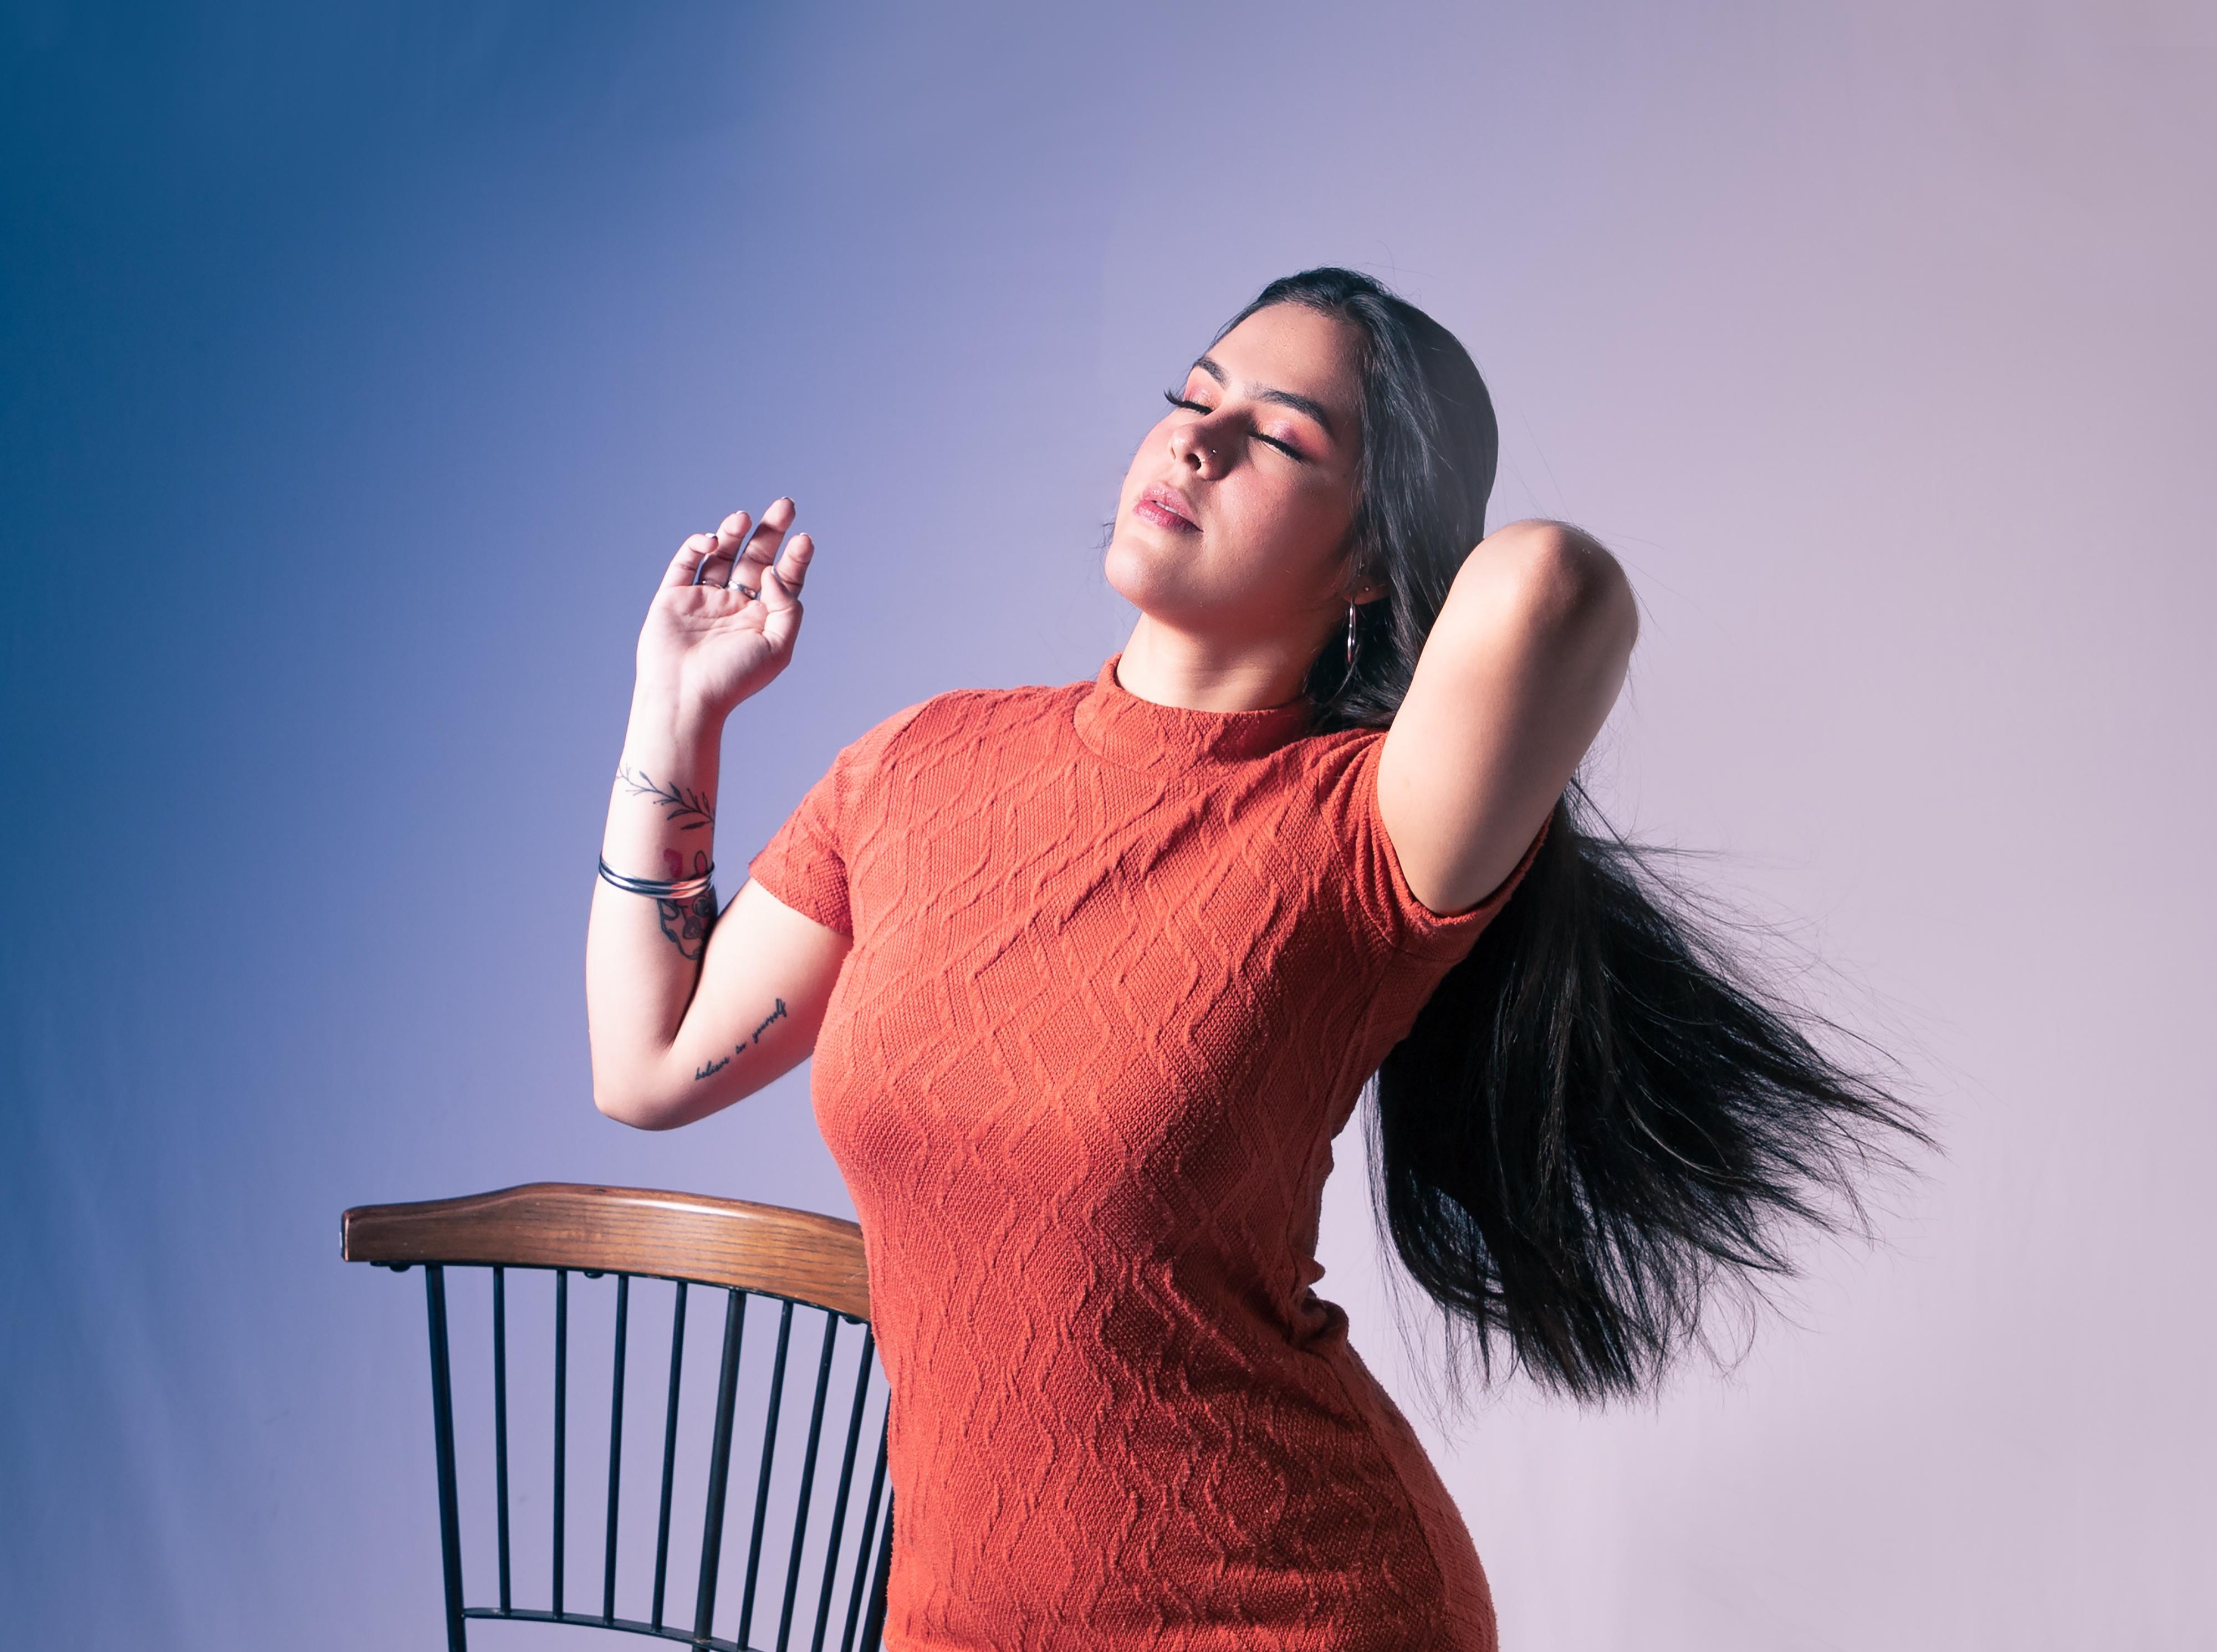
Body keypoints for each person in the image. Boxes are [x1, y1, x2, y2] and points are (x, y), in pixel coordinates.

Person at [584, 268, 1909, 1651]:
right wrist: (675, 709)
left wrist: (1427, 538)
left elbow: (1552, 585)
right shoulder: (915, 766)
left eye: (1278, 437)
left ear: (1372, 555)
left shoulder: (1363, 828)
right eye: (1191, 397)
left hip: (1286, 1613)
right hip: (951, 1623)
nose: (1194, 442)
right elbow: (647, 1064)